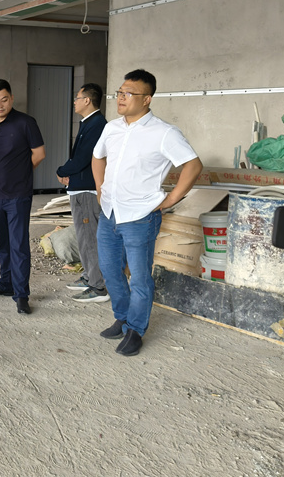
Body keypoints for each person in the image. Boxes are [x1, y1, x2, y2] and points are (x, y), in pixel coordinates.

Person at [92, 69, 203, 356]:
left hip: (140, 217)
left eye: (128, 94)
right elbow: (97, 156)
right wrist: (100, 187)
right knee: (110, 270)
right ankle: (122, 316)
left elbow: (193, 165)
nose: (121, 98)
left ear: (147, 99)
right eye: (119, 92)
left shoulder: (164, 133)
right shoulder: (112, 128)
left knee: (140, 277)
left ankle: (136, 330)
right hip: (110, 212)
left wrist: (171, 199)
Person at [0, 79, 45, 315]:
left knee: (19, 245)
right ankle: (5, 283)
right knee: (3, 242)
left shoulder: (26, 123)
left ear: (11, 98)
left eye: (4, 100)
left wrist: (20, 173)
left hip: (18, 195)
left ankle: (21, 294)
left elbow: (39, 154)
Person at [56, 83, 109, 303]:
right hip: (80, 189)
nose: (75, 102)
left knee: (89, 238)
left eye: (77, 98)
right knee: (84, 237)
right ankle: (89, 277)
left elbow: (83, 158)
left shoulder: (97, 125)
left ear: (87, 100)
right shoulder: (89, 123)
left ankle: (98, 287)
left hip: (87, 191)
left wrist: (62, 171)